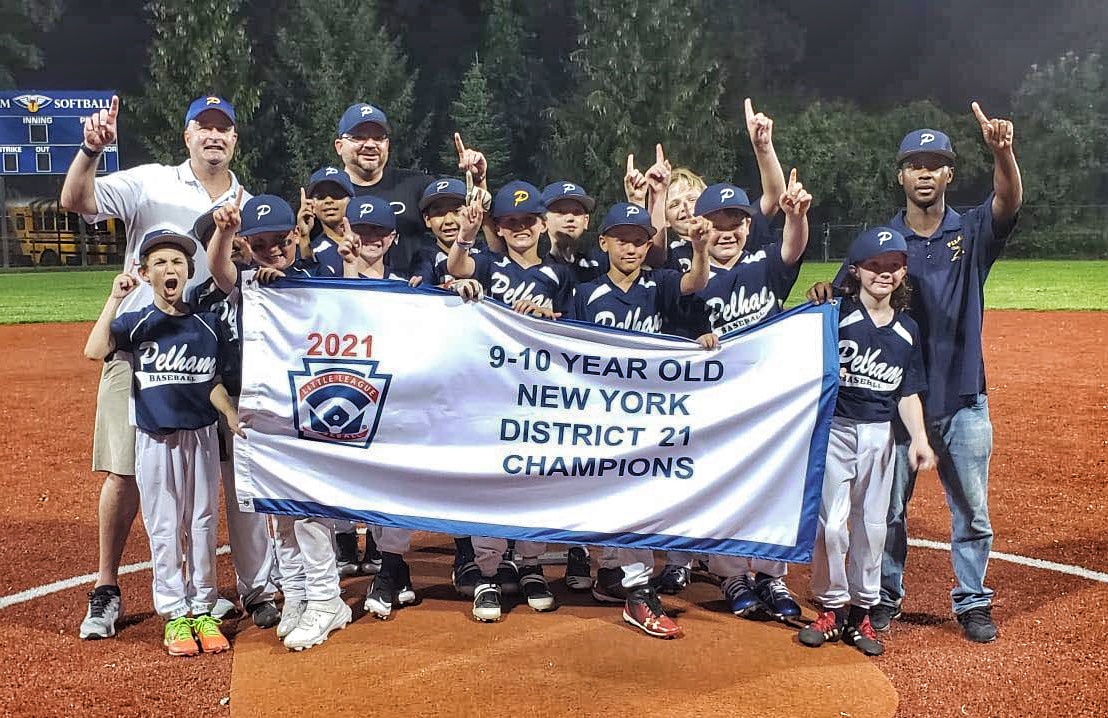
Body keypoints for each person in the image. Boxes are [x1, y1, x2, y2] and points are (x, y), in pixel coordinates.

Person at [809, 103, 1022, 643]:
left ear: (949, 174)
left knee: (972, 513)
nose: (924, 173)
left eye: (935, 164)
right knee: (889, 513)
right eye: (914, 164)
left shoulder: (971, 231)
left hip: (963, 397)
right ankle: (884, 597)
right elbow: (841, 296)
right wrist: (822, 296)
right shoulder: (883, 244)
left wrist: (1002, 152)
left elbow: (1008, 200)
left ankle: (972, 601)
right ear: (900, 174)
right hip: (894, 405)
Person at [61, 94, 248, 639]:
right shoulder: (149, 181)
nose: (214, 136)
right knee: (126, 470)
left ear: (235, 139)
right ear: (186, 135)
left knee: (209, 474)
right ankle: (106, 586)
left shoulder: (245, 197)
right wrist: (91, 150)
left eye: (224, 129)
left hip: (208, 351)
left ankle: (215, 589)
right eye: (203, 127)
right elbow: (76, 200)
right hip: (138, 349)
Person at [83, 229, 236, 657]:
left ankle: (203, 607)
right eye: (161, 263)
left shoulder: (206, 323)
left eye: (178, 262)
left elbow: (212, 382)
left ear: (189, 271)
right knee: (165, 525)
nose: (171, 269)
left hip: (201, 437)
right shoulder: (137, 323)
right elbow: (95, 351)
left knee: (203, 522)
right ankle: (174, 613)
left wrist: (229, 413)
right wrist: (115, 298)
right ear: (146, 273)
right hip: (155, 438)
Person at [570, 201, 715, 638]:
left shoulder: (660, 283)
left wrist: (701, 249)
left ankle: (637, 589)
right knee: (607, 494)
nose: (631, 247)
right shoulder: (586, 293)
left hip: (650, 413)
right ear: (604, 242)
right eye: (622, 239)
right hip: (604, 412)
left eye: (639, 240)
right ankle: (613, 574)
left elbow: (694, 282)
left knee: (641, 495)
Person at [798, 227, 936, 657]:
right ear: (855, 270)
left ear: (903, 272)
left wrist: (919, 439)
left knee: (874, 528)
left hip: (880, 435)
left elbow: (908, 392)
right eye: (874, 265)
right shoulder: (836, 316)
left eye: (893, 265)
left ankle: (863, 610)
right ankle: (832, 605)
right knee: (831, 526)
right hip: (836, 430)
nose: (884, 272)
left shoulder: (908, 329)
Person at [292, 166, 356, 277]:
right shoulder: (310, 250)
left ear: (351, 200)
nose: (329, 201)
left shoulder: (371, 241)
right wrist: (304, 236)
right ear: (311, 205)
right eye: (320, 196)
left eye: (336, 195)